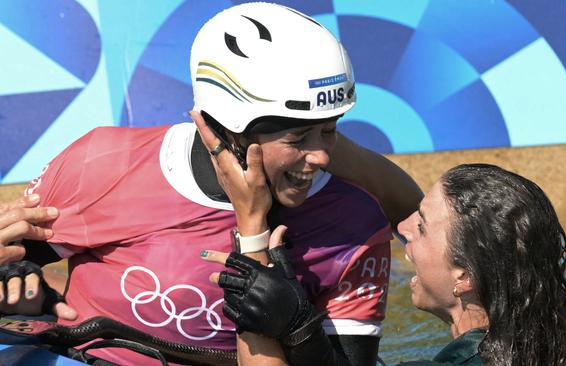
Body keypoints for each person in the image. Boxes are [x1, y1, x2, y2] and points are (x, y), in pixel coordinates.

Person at [1, 3, 422, 365]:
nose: (323, 156)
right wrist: (14, 275)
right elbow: (13, 260)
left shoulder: (354, 224)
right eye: (297, 139)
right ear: (229, 127)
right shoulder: (103, 164)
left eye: (331, 131)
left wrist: (297, 328)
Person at [203, 160, 566, 365]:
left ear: (464, 276)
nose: (403, 225)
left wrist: (289, 322)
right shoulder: (558, 339)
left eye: (422, 225)